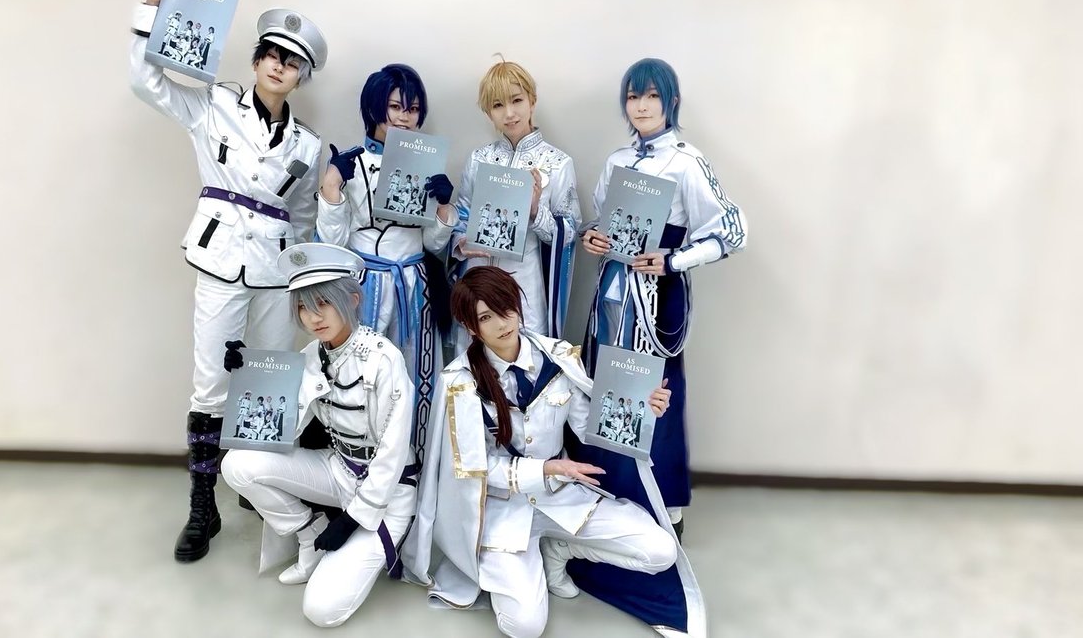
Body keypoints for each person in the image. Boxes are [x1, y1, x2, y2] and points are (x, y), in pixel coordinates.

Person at [129, 0, 327, 562]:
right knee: (212, 385)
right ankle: (202, 505)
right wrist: (152, 8)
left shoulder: (308, 145)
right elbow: (147, 82)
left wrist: (302, 282)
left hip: (273, 272)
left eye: (291, 62)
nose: (278, 67)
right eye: (271, 55)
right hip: (220, 263)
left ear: (301, 75)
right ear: (257, 59)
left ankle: (256, 483)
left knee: (267, 379)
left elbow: (302, 217)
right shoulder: (213, 105)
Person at [569, 56, 749, 635]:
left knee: (658, 394)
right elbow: (601, 222)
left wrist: (673, 260)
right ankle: (610, 489)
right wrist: (594, 239)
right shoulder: (618, 161)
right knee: (605, 384)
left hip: (656, 294)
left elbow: (731, 230)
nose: (641, 106)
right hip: (613, 290)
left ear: (670, 102)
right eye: (632, 97)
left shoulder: (687, 161)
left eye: (651, 96)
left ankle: (665, 502)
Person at [403, 266, 677, 638]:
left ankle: (558, 550)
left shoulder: (558, 357)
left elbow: (588, 426)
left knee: (661, 551)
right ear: (471, 327)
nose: (502, 323)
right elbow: (473, 469)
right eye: (486, 317)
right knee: (524, 627)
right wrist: (545, 468)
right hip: (501, 510)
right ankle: (517, 564)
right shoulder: (460, 383)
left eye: (506, 308)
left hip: (561, 496)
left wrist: (643, 410)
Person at [223, 243, 417, 628]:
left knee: (321, 611)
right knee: (236, 465)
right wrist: (248, 376)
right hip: (338, 469)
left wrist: (353, 519)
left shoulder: (384, 359)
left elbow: (393, 453)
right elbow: (285, 428)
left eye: (323, 303)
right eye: (302, 307)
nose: (312, 317)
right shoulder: (313, 355)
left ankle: (359, 538)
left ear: (352, 299)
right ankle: (308, 532)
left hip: (386, 492)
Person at [315, 64, 459, 464]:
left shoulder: (429, 164)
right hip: (365, 286)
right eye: (395, 107)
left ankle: (415, 465)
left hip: (416, 286)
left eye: (412, 109)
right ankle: (360, 464)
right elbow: (332, 242)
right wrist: (331, 187)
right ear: (374, 107)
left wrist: (444, 206)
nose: (404, 117)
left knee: (416, 375)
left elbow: (433, 243)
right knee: (362, 377)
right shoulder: (350, 163)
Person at [451, 59, 580, 351]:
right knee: (474, 362)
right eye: (498, 105)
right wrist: (461, 243)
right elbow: (462, 215)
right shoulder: (478, 159)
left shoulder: (558, 163)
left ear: (532, 101)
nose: (509, 113)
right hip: (476, 278)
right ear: (488, 113)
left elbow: (570, 231)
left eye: (517, 100)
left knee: (525, 360)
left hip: (525, 284)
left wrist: (535, 212)